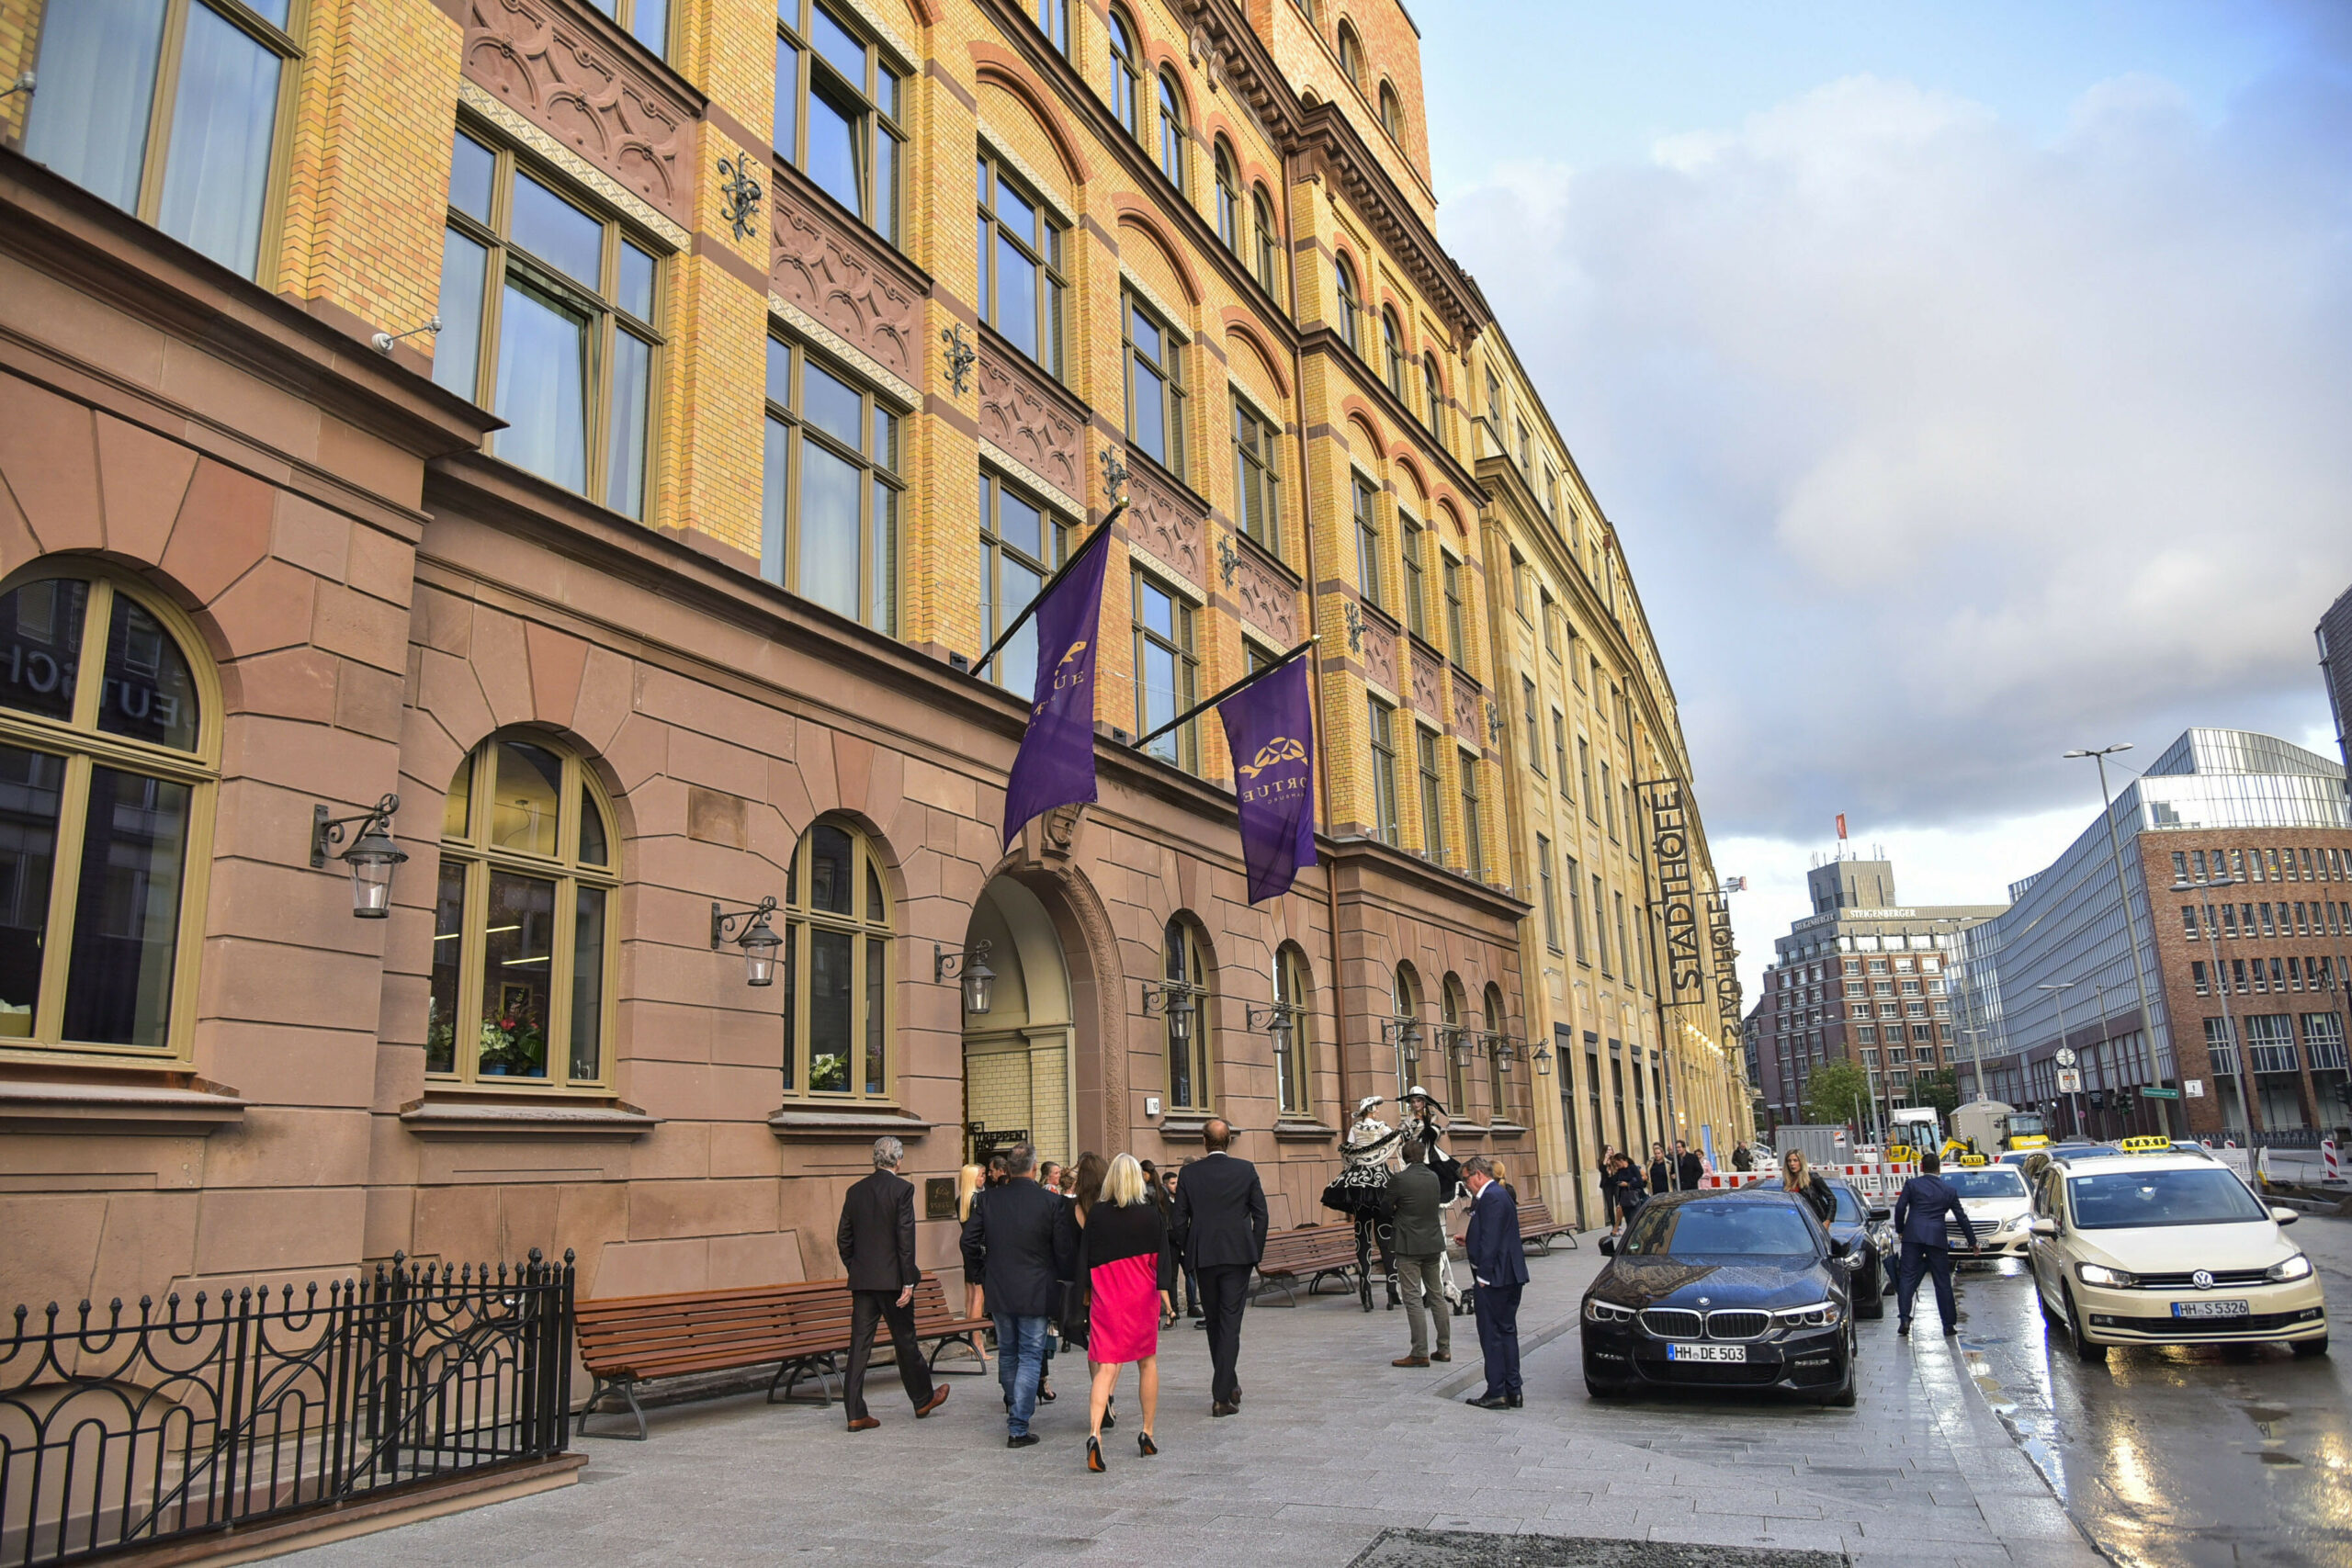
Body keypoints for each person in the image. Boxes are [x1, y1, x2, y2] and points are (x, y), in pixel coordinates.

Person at [958, 1142, 1076, 1449]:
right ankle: (1018, 1425)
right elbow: (1063, 1249)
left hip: (1000, 1285)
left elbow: (968, 1241)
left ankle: (1015, 1407)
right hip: (1036, 1287)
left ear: (1009, 1168)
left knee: (1008, 1351)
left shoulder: (989, 1199)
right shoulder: (1051, 1202)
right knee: (1030, 1354)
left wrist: (982, 1271)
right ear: (1034, 1168)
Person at [835, 1136, 951, 1431]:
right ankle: (922, 1398)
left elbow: (844, 1238)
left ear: (875, 1159)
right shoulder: (902, 1189)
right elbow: (905, 1239)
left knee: (859, 1346)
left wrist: (856, 1268)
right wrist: (908, 1281)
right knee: (905, 1340)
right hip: (893, 1282)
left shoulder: (855, 1191)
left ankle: (855, 1413)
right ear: (898, 1160)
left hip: (863, 1281)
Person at [1080, 1154, 1170, 1472]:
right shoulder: (1150, 1215)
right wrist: (1166, 1298)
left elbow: (1085, 1258)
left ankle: (1094, 1433)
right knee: (1147, 1363)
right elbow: (1162, 1262)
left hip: (1107, 1298)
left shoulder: (1097, 1215)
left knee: (1105, 1368)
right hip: (1141, 1297)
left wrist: (1085, 1292)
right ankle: (1147, 1432)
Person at [1175, 1117, 1268, 1416]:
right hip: (1238, 1256)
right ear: (1228, 1141)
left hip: (1205, 1256)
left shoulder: (1189, 1173)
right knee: (1229, 1323)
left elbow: (1178, 1220)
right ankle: (1222, 1395)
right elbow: (1261, 1215)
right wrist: (1254, 1251)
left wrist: (1190, 1249)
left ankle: (1228, 1386)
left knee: (1215, 1322)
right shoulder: (1245, 1170)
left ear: (1204, 1141)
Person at [1457, 1156, 1528, 1409]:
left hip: (1496, 1277)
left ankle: (1497, 1391)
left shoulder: (1492, 1197)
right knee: (1507, 1331)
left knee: (1492, 1334)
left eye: (1466, 1180)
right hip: (1507, 1274)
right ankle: (1513, 1390)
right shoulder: (1497, 1194)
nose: (1466, 1186)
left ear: (1478, 1175)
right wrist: (1470, 1240)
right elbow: (1494, 1233)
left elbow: (1492, 1239)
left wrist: (1483, 1276)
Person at [1324, 1095, 1403, 1312]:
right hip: (1381, 1183)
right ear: (1372, 1110)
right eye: (1376, 1108)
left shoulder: (1355, 1128)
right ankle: (1391, 1290)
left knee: (1362, 1236)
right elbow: (1395, 1141)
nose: (1378, 1111)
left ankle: (1365, 1290)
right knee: (1385, 1237)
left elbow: (1349, 1150)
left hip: (1359, 1186)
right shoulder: (1381, 1126)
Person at [1893, 1148, 1980, 1337]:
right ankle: (1948, 1325)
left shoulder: (1912, 1185)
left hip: (1912, 1237)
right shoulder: (1949, 1191)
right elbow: (1961, 1217)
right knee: (1942, 1281)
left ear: (1921, 1167)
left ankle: (1904, 1319)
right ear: (1939, 1169)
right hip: (1937, 1238)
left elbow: (1900, 1208)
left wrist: (1900, 1230)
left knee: (1907, 1277)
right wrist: (1972, 1241)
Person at [1387, 1138, 1452, 1368]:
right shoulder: (1433, 1177)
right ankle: (1444, 1348)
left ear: (1404, 1157)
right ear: (1423, 1155)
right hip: (1433, 1242)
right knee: (1436, 1295)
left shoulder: (1400, 1179)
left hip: (1408, 1244)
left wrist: (1398, 1209)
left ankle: (1419, 1352)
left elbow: (1385, 1207)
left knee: (1413, 1297)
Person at [1781, 1149, 1836, 1224]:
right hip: (1794, 1222)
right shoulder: (1787, 1182)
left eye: (1795, 1160)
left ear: (1801, 1162)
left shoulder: (1813, 1178)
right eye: (1789, 1161)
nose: (1792, 1164)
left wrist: (1827, 1221)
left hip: (1814, 1222)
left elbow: (1831, 1198)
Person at [1600, 1152, 1646, 1235]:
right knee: (1629, 1222)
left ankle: (1636, 1238)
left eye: (1616, 1163)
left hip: (1635, 1199)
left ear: (1621, 1160)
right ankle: (1631, 1239)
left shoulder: (1633, 1168)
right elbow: (1613, 1181)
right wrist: (1609, 1171)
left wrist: (1628, 1184)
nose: (1616, 1165)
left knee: (1634, 1221)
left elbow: (1640, 1183)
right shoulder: (1620, 1171)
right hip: (1625, 1200)